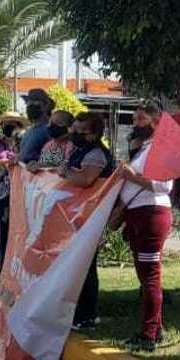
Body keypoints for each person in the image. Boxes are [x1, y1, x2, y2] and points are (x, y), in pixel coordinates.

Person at [116, 103, 173, 351]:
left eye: (142, 119)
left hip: (152, 213)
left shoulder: (160, 148)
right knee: (144, 275)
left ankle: (149, 334)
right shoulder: (143, 149)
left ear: (156, 122)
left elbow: (165, 185)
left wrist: (131, 176)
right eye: (134, 119)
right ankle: (154, 328)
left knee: (150, 275)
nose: (136, 123)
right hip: (139, 213)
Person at [61, 112, 116, 331]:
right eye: (73, 129)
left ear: (93, 134)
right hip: (79, 216)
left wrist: (65, 172)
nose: (73, 134)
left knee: (86, 267)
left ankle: (87, 315)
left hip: (90, 216)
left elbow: (85, 179)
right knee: (78, 266)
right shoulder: (81, 150)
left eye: (79, 131)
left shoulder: (96, 154)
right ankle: (78, 312)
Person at [0, 111, 25, 281]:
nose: (8, 127)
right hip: (0, 191)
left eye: (12, 123)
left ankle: (16, 268)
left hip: (19, 190)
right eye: (5, 124)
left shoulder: (23, 143)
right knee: (0, 228)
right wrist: (7, 162)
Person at [18, 88, 55, 164]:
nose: (31, 104)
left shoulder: (51, 130)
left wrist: (39, 164)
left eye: (35, 101)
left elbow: (56, 157)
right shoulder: (28, 132)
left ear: (46, 105)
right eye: (28, 102)